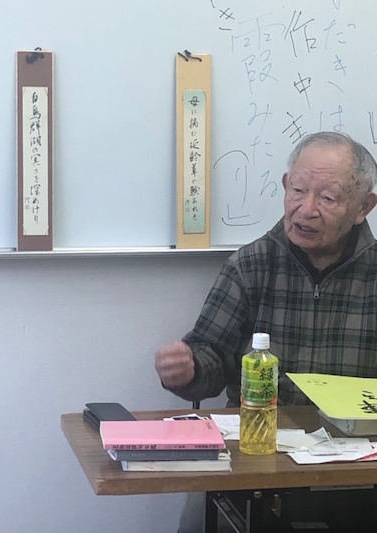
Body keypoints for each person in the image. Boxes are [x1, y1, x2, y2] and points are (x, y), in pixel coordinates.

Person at [154, 131, 377, 532]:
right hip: (257, 456)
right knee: (198, 516)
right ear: (285, 186)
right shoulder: (251, 265)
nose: (306, 209)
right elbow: (210, 355)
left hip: (357, 464)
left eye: (328, 198)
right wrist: (188, 369)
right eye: (298, 191)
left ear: (363, 207)